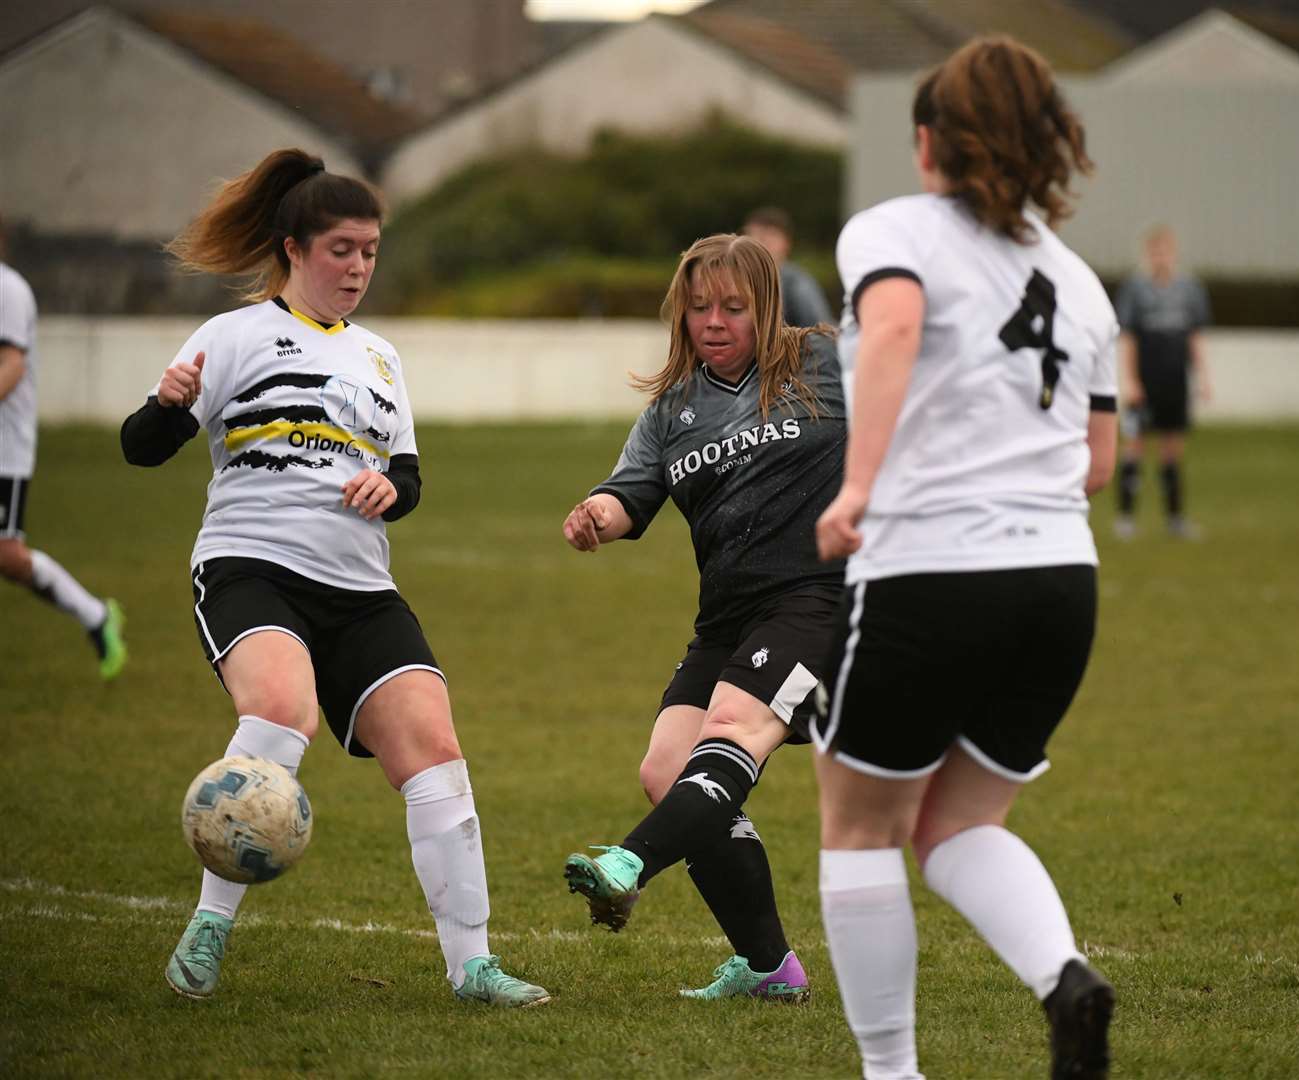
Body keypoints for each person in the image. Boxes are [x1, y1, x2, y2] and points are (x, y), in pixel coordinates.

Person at [120, 148, 547, 1007]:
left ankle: (473, 968)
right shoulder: (233, 336)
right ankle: (209, 925)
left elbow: (409, 479)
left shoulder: (382, 358)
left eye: (371, 250)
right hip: (252, 567)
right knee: (283, 712)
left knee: (436, 752)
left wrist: (392, 487)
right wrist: (167, 404)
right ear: (293, 247)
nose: (357, 266)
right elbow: (142, 447)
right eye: (341, 249)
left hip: (358, 587)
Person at [813, 36, 1120, 1080]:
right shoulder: (1079, 279)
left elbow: (893, 327)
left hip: (933, 573)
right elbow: (1100, 460)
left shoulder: (894, 229)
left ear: (930, 140)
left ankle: (892, 1074)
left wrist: (858, 489)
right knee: (955, 821)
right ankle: (1065, 978)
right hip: (1062, 586)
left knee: (858, 827)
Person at [559, 232, 844, 1002]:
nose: (712, 322)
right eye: (697, 308)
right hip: (727, 617)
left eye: (732, 307)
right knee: (664, 770)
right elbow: (630, 495)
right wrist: (597, 515)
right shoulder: (671, 412)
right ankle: (770, 969)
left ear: (768, 307)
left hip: (817, 597)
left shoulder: (823, 363)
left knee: (730, 735)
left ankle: (628, 864)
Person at [0, 215, 127, 680]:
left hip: (4, 450)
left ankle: (95, 615)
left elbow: (11, 364)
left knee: (8, 556)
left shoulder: (8, 290)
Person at [1112, 224, 1210, 540]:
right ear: (1146, 255)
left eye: (1165, 251)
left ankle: (1175, 519)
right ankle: (1125, 518)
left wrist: (1203, 377)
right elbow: (1127, 338)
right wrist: (1129, 380)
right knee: (1134, 447)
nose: (1160, 257)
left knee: (1172, 450)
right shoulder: (1134, 291)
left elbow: (1195, 337)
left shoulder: (1189, 290)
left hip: (1175, 381)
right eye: (1155, 251)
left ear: (1174, 253)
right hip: (1145, 381)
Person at [744, 206, 834, 329]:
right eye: (755, 236)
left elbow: (822, 332)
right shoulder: (732, 279)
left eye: (769, 236)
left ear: (786, 243)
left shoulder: (797, 284)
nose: (761, 243)